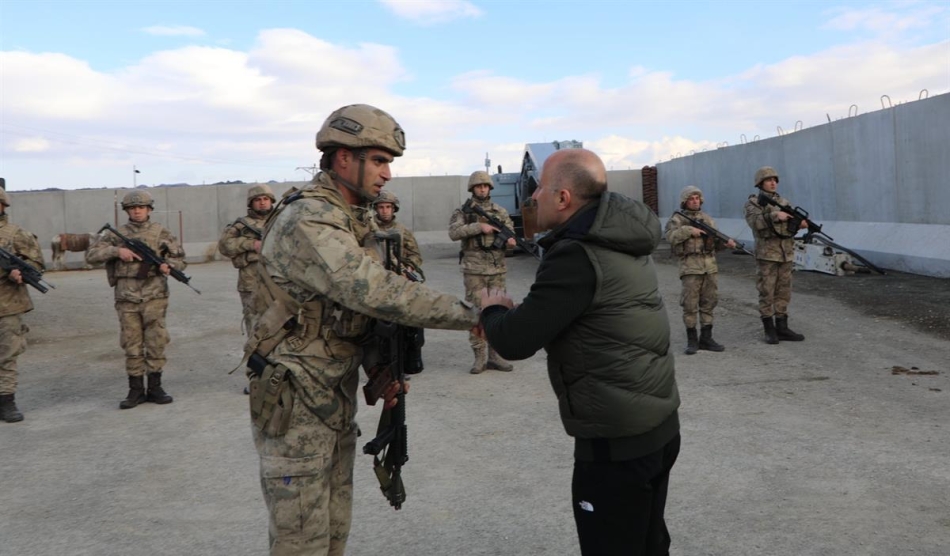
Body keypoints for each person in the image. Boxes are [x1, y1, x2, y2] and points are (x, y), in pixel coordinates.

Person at [244, 104, 478, 556]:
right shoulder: (308, 218)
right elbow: (371, 290)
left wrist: (379, 366)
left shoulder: (353, 217)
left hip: (332, 394)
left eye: (389, 162)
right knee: (302, 541)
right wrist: (473, 314)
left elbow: (349, 312)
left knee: (334, 531)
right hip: (296, 401)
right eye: (379, 160)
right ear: (343, 158)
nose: (387, 174)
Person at [478, 148, 681, 556]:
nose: (533, 197)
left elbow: (516, 341)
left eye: (540, 189)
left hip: (616, 443)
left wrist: (493, 310)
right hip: (657, 427)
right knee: (648, 542)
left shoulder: (577, 254)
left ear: (563, 198)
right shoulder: (618, 236)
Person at [86, 190, 186, 409]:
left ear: (149, 209)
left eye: (141, 207)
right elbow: (91, 256)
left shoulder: (161, 232)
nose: (137, 211)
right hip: (127, 297)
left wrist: (169, 266)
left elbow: (180, 259)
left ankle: (155, 387)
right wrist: (116, 251)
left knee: (156, 341)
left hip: (155, 296)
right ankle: (136, 389)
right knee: (131, 342)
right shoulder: (116, 235)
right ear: (127, 211)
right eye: (132, 208)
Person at [448, 170, 516, 374]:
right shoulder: (463, 212)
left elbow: (510, 234)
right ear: (472, 189)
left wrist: (511, 242)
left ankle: (495, 356)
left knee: (498, 312)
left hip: (496, 270)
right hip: (474, 270)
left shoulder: (500, 212)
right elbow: (454, 233)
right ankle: (479, 357)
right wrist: (479, 226)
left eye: (485, 186)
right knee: (476, 313)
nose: (483, 189)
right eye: (479, 186)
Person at [665, 185, 736, 354]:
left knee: (709, 303)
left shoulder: (707, 219)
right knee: (690, 305)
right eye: (691, 199)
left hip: (709, 267)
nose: (695, 201)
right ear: (685, 201)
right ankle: (692, 340)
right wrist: (689, 230)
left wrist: (726, 244)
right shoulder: (677, 219)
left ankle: (706, 337)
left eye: (697, 198)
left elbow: (714, 244)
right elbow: (670, 237)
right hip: (690, 267)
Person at [744, 166, 807, 344]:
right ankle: (769, 329)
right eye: (768, 180)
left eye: (775, 180)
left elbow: (787, 229)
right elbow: (755, 222)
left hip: (785, 253)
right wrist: (774, 216)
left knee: (784, 291)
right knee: (767, 291)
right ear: (760, 183)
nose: (773, 183)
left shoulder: (784, 202)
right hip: (767, 254)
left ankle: (782, 327)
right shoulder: (753, 203)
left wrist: (799, 224)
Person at [0, 188, 46, 423]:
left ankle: (6, 401)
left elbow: (37, 264)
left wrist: (19, 272)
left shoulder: (16, 234)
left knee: (7, 354)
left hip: (8, 305)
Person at [218, 184, 276, 335]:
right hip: (251, 283)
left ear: (271, 201)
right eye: (257, 199)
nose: (262, 202)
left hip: (279, 282)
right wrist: (251, 244)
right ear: (251, 203)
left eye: (266, 199)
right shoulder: (241, 225)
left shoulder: (281, 221)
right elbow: (224, 246)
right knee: (255, 326)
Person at [371, 189, 424, 280]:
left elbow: (416, 255)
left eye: (388, 207)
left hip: (398, 276)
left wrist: (409, 268)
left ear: (393, 209)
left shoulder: (402, 230)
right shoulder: (369, 228)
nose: (385, 211)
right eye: (381, 207)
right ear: (376, 209)